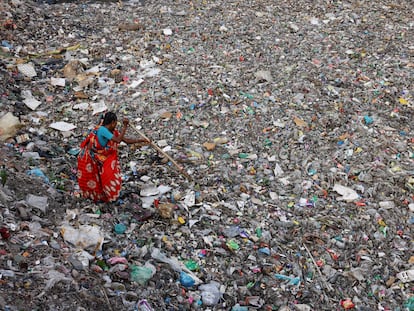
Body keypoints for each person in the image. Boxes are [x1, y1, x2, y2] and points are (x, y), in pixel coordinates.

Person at [77, 111, 149, 203]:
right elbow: (118, 140)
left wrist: (141, 140)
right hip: (90, 158)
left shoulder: (111, 132)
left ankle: (103, 196)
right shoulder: (103, 130)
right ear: (112, 122)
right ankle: (96, 197)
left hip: (99, 158)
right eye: (115, 123)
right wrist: (125, 126)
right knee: (93, 179)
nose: (115, 125)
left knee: (100, 178)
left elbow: (126, 140)